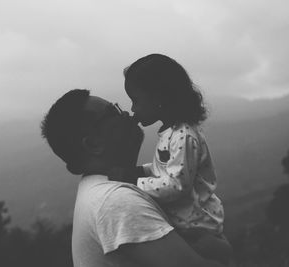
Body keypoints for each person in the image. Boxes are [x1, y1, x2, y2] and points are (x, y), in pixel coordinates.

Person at [41, 89, 226, 267]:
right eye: (114, 112)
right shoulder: (115, 202)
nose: (128, 115)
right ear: (93, 144)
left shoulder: (97, 189)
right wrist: (224, 251)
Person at [118, 53, 231, 263]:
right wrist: (141, 171)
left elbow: (177, 185)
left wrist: (134, 182)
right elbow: (166, 170)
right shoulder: (171, 132)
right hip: (187, 226)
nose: (133, 108)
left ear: (158, 99)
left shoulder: (183, 135)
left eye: (136, 100)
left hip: (197, 230)